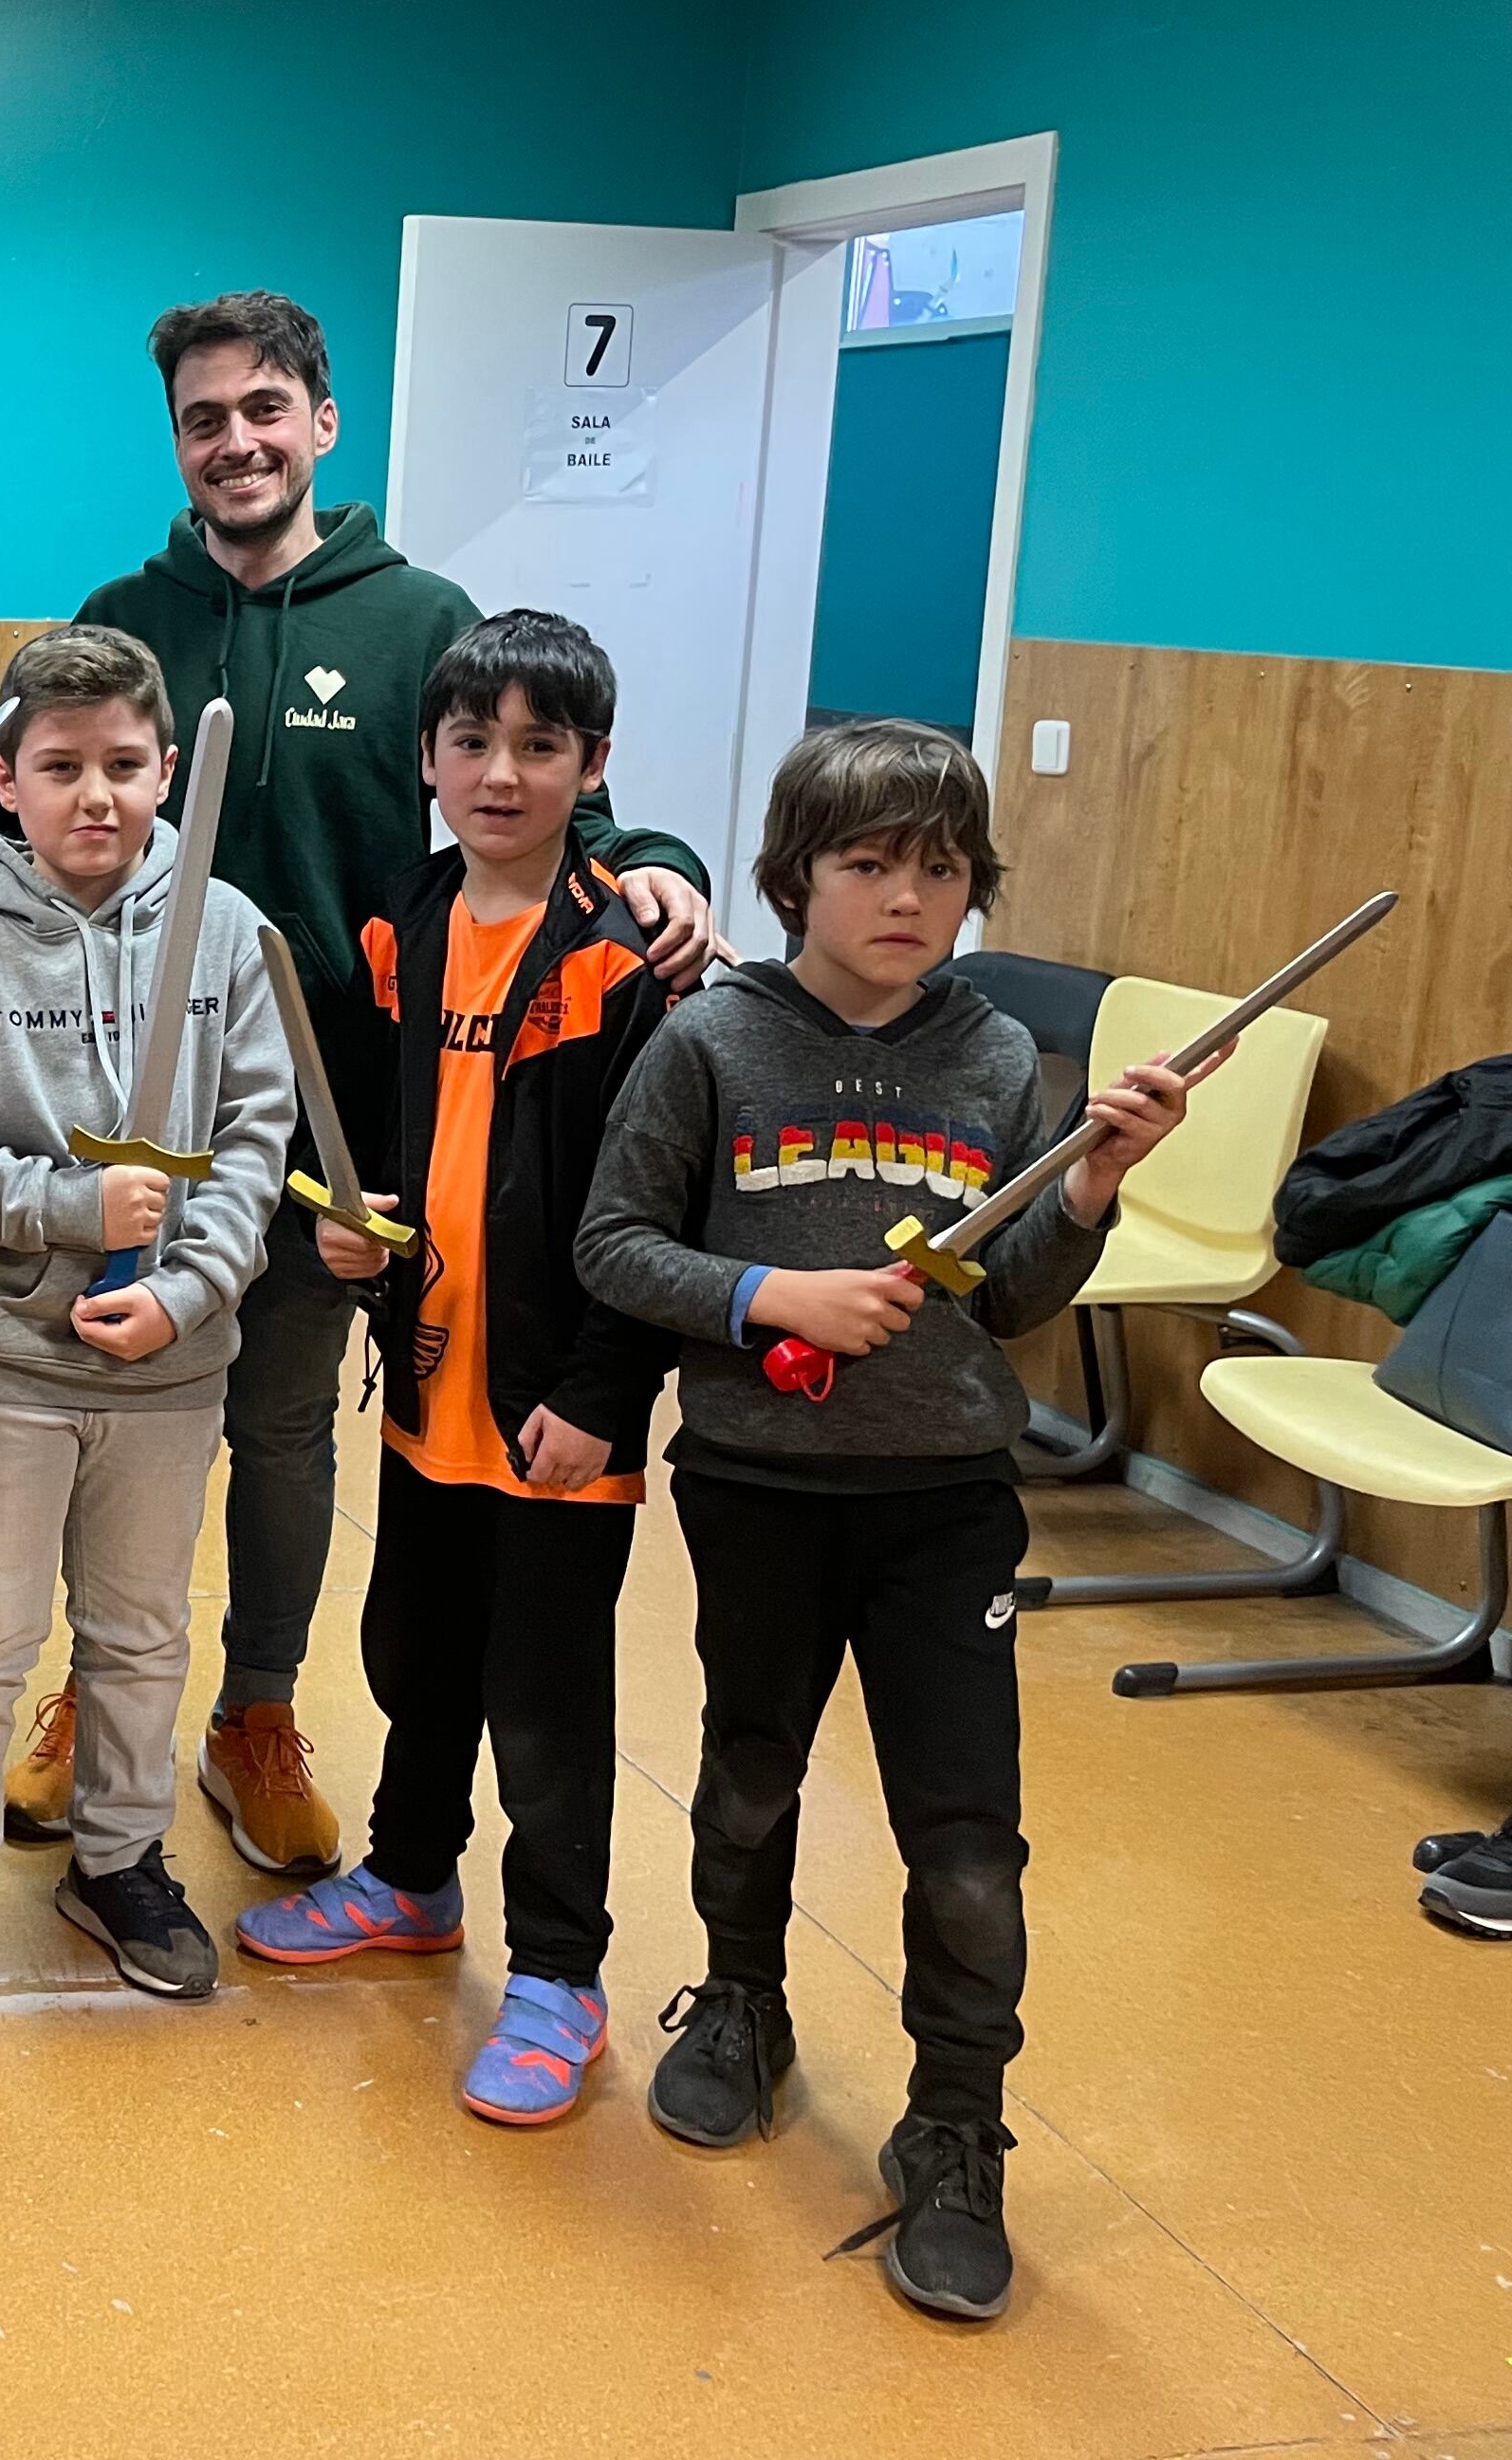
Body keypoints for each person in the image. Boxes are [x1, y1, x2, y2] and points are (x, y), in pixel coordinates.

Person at [55, 288, 713, 1883]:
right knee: (113, 1424)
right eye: (204, 419)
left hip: (337, 1132)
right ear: (179, 442)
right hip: (138, 1108)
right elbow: (61, 796)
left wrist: (667, 866)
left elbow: (524, 792)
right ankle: (95, 1691)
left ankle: (254, 1716)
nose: (236, 442)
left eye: (263, 410)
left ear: (321, 423)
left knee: (282, 1431)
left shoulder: (418, 616)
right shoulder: (125, 615)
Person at [577, 718, 1202, 2322]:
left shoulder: (996, 1057)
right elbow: (616, 1245)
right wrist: (765, 1291)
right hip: (761, 1489)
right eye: (869, 863)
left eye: (939, 867)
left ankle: (956, 2127)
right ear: (797, 876)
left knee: (968, 1845)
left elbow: (1010, 1306)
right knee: (747, 1774)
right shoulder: (713, 1040)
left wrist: (1086, 1188)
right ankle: (740, 2005)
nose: (907, 896)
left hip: (945, 1506)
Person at [227, 613, 676, 2130]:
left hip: (562, 1410)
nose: (501, 772)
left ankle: (561, 1971)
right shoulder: (401, 930)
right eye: (473, 743)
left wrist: (607, 1391)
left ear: (593, 766)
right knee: (419, 1657)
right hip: (431, 1388)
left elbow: (651, 1209)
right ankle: (414, 1881)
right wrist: (366, 1251)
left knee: (547, 1701)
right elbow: (403, 1156)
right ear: (425, 761)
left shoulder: (626, 962)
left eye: (541, 746)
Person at [0, 626, 295, 2052]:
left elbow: (251, 1143)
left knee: (142, 1635)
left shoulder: (226, 935)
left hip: (170, 1375)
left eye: (123, 765)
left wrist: (188, 1289)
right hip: (6, 1369)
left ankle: (118, 1861)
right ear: (8, 781)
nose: (95, 795)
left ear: (170, 768)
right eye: (61, 768)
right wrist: (62, 1205)